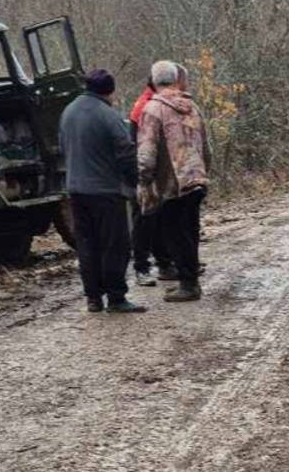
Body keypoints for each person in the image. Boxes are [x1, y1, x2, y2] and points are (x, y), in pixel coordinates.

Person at [59, 69, 147, 314]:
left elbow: (62, 147)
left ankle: (93, 298)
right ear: (109, 91)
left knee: (87, 245)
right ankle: (117, 297)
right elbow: (126, 154)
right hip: (105, 192)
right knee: (114, 245)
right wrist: (135, 182)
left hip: (76, 190)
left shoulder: (68, 111)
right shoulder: (108, 116)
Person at [137, 61, 212, 303]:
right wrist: (203, 171)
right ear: (176, 78)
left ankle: (187, 285)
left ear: (154, 80)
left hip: (171, 183)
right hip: (196, 178)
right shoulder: (191, 106)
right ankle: (190, 281)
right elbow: (206, 145)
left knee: (174, 233)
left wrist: (144, 179)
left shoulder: (152, 110)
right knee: (190, 231)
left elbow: (147, 151)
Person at [128, 76, 175, 287]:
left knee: (158, 218)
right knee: (143, 220)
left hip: (156, 171)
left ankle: (165, 264)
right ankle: (141, 267)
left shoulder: (155, 103)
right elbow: (137, 144)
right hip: (143, 172)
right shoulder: (144, 106)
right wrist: (143, 177)